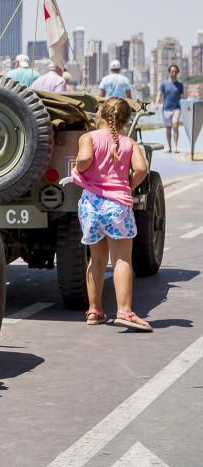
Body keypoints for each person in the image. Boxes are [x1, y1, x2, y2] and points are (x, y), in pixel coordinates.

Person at [71, 97, 150, 331]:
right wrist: (129, 186)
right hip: (117, 207)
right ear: (125, 121)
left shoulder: (88, 137)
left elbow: (84, 159)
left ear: (99, 116)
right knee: (122, 259)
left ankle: (94, 310)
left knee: (96, 259)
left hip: (91, 206)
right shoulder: (128, 142)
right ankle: (124, 310)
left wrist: (80, 168)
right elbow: (142, 169)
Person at [155, 64, 184, 154]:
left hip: (176, 109)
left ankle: (175, 146)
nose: (174, 73)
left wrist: (185, 107)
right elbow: (159, 94)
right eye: (172, 72)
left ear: (177, 73)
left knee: (175, 126)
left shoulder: (180, 85)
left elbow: (182, 97)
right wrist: (157, 103)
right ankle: (169, 146)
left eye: (175, 72)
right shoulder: (164, 84)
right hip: (166, 109)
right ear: (169, 73)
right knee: (168, 128)